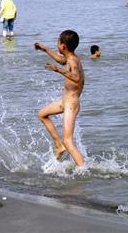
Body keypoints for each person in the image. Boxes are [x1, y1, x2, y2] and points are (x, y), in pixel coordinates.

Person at [34, 30, 85, 167]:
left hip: (71, 104)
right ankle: (58, 146)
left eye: (57, 41)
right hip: (65, 101)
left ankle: (84, 169)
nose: (56, 44)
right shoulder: (70, 57)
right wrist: (45, 49)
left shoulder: (73, 61)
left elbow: (76, 77)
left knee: (68, 141)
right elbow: (61, 60)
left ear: (63, 46)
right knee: (42, 114)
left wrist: (57, 70)